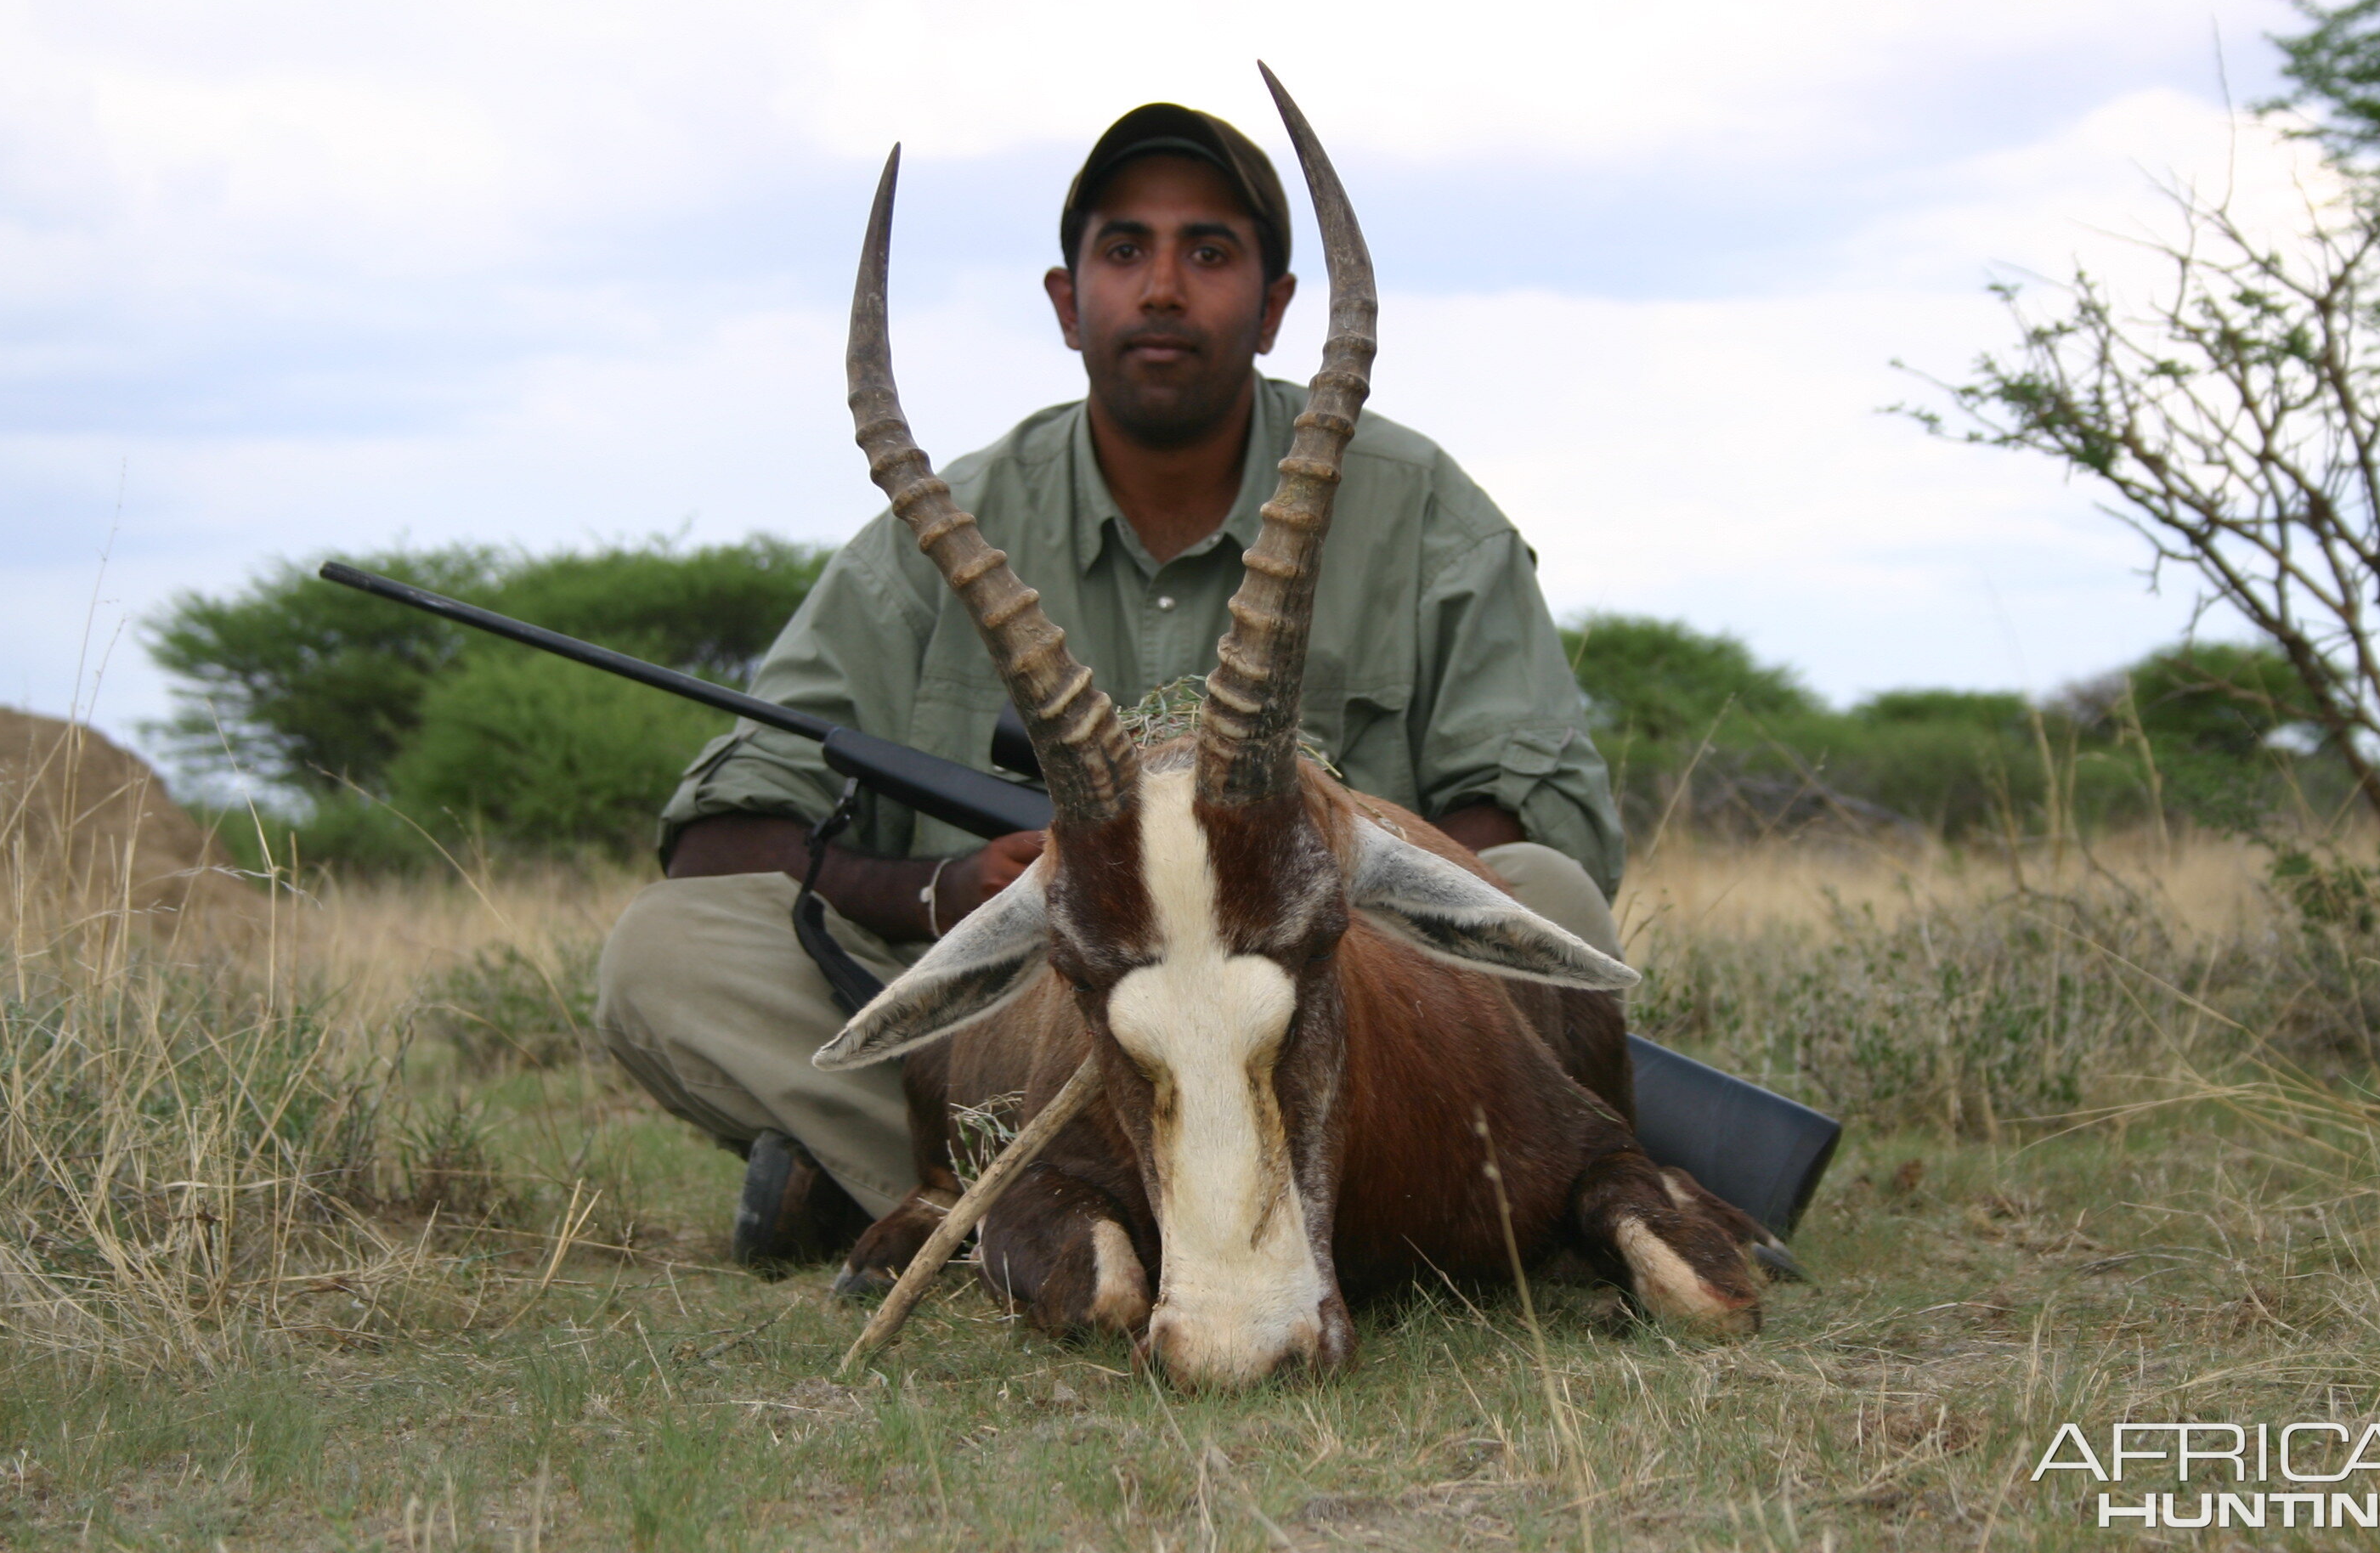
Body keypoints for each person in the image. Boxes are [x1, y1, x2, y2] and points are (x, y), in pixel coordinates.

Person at [594, 101, 1627, 1272]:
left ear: (1278, 306)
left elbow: (1537, 827)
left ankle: (1010, 1214)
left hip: (1336, 1027)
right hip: (1022, 1023)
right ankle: (1010, 1189)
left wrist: (1305, 881)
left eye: (1211, 252)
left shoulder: (1417, 502)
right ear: (1064, 299)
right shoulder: (945, 525)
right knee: (664, 950)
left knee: (1548, 897)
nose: (1165, 289)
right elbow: (724, 844)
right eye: (1125, 251)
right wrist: (944, 892)